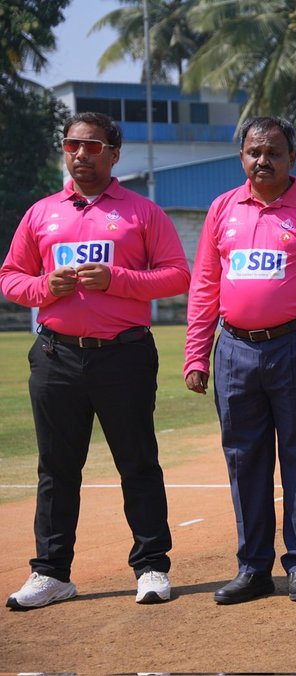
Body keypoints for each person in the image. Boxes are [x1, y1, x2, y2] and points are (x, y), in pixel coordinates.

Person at [1, 112, 190, 609]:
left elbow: (176, 276)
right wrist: (45, 287)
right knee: (56, 469)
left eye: (91, 145)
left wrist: (118, 279)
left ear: (114, 153)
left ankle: (151, 566)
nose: (79, 153)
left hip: (124, 355)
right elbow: (10, 278)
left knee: (138, 464)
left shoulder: (143, 213)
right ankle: (52, 573)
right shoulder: (41, 213)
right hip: (56, 356)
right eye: (71, 144)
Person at [184, 116, 296, 605]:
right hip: (233, 350)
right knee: (244, 461)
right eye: (254, 152)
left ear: (291, 158)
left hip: (295, 348)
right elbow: (205, 287)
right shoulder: (222, 209)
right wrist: (197, 355)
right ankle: (253, 568)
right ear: (242, 157)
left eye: (273, 152)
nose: (263, 160)